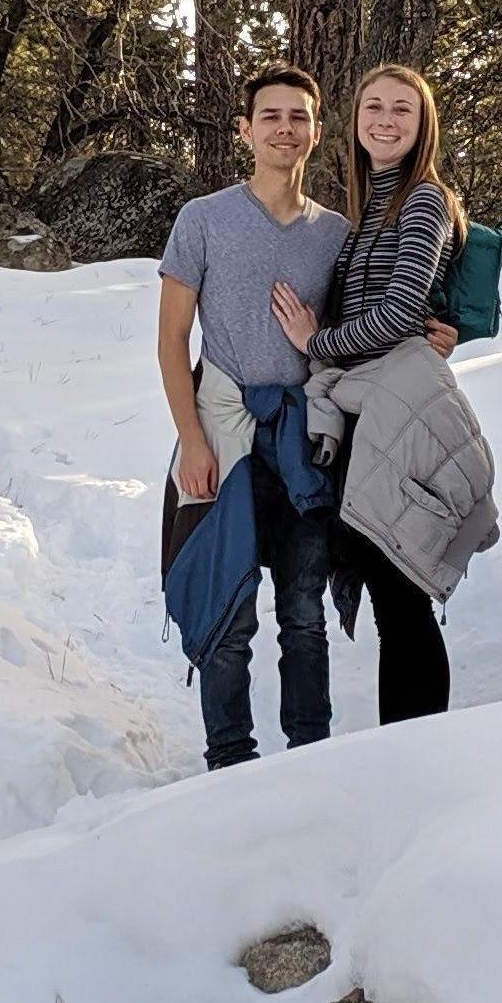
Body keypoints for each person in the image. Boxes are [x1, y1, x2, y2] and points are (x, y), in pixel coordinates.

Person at [274, 62, 498, 725]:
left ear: (421, 123)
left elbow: (401, 311)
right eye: (374, 106)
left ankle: (412, 742)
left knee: (399, 589)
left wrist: (316, 342)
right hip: (369, 404)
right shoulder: (370, 204)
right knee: (386, 583)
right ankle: (402, 740)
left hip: (393, 402)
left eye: (402, 109)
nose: (385, 120)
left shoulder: (421, 199)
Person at [156, 67, 351, 768]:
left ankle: (310, 757)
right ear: (245, 129)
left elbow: (358, 329)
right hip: (224, 432)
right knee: (230, 608)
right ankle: (229, 760)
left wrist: (441, 328)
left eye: (297, 117)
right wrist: (190, 439)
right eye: (269, 116)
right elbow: (171, 337)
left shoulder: (335, 233)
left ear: (316, 132)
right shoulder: (203, 219)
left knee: (303, 615)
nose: (283, 128)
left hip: (299, 442)